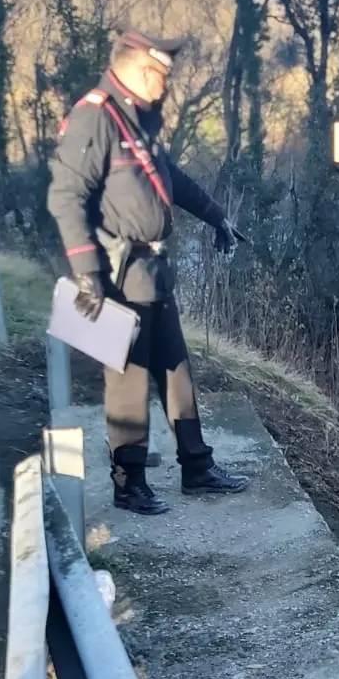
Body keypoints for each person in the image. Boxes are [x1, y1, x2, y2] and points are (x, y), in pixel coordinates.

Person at [47, 30, 248, 514]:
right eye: (161, 74)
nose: (167, 83)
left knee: (175, 368)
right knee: (128, 378)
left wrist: (216, 215)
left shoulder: (138, 118)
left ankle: (196, 465)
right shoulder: (94, 116)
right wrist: (86, 272)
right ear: (136, 67)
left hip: (153, 268)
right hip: (116, 272)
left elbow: (169, 178)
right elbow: (66, 197)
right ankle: (128, 481)